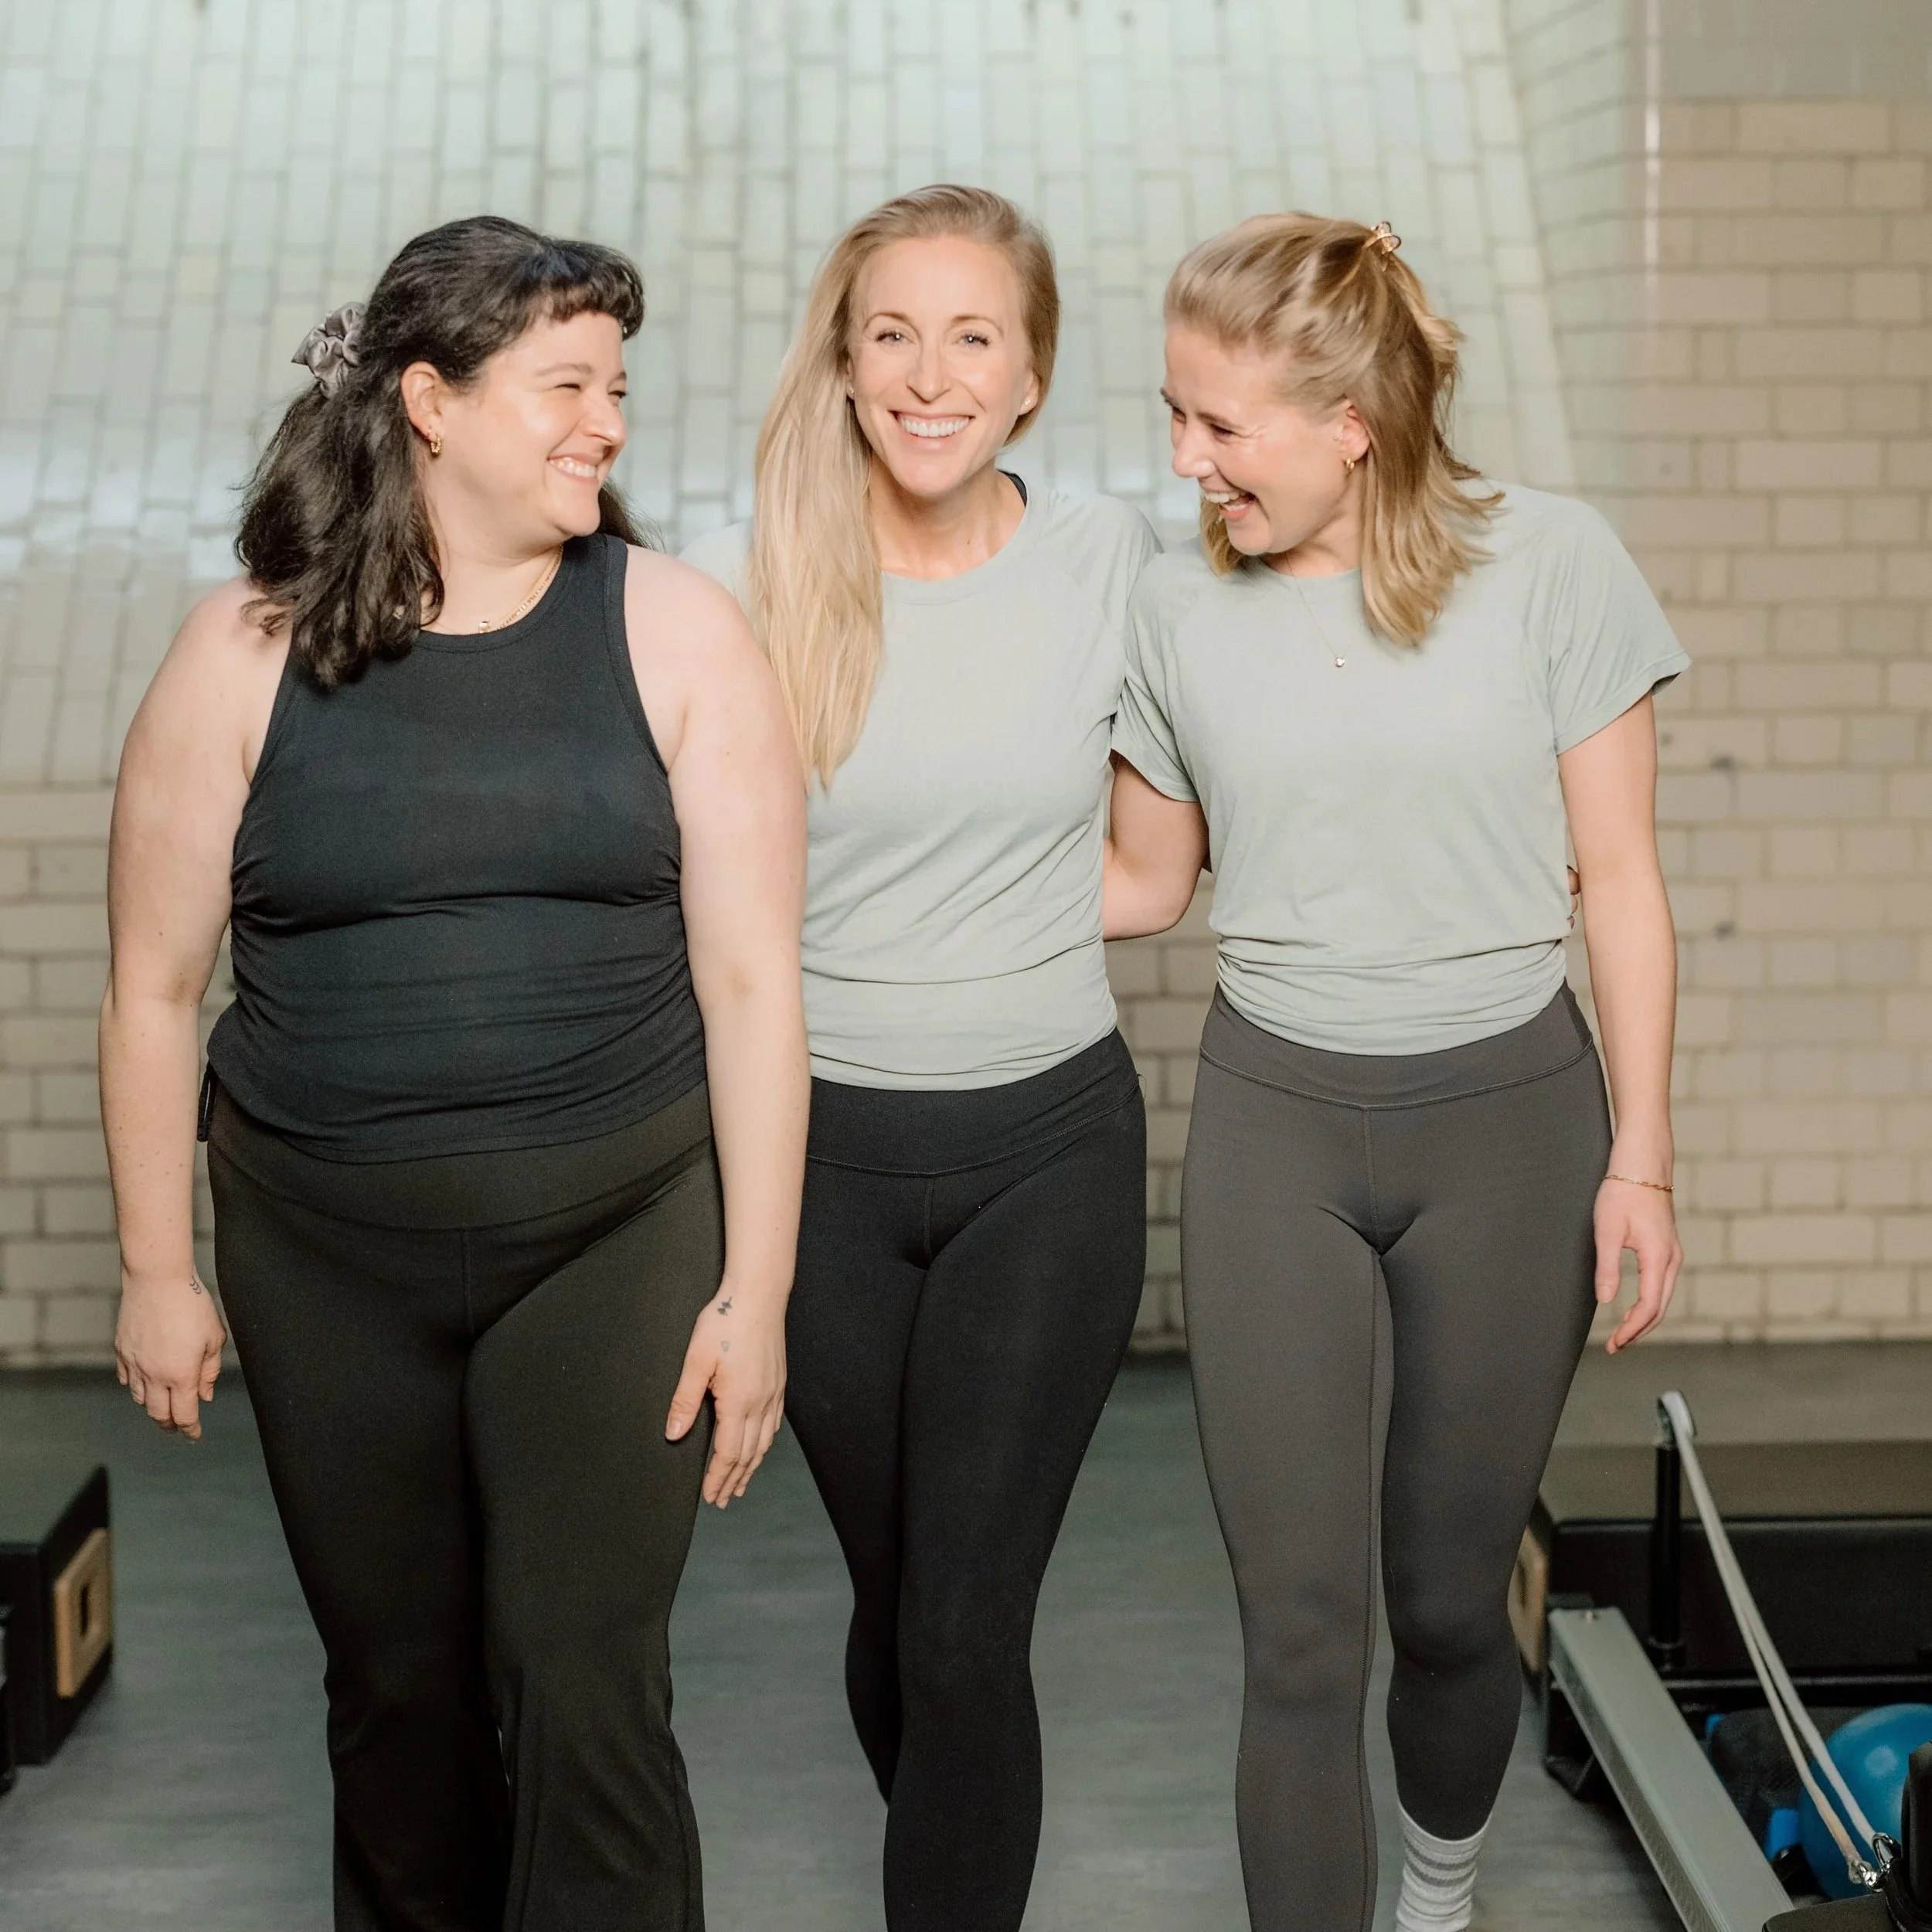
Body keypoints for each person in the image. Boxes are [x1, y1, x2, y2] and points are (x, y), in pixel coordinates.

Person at [100, 216, 808, 1932]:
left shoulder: (678, 631)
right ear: (428, 401)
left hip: (613, 1230)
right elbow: (151, 981)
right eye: (566, 384)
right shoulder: (241, 650)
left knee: (585, 1681)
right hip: (322, 1255)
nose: (607, 422)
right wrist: (154, 1264)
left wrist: (759, 1288)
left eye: (617, 386)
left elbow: (752, 978)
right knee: (398, 1696)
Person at [1104, 213, 1688, 1932]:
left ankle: (1436, 1876)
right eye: (1174, 415)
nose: (1187, 460)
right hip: (1272, 1125)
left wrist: (1636, 1153)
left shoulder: (1553, 562)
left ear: (1350, 416)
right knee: (1296, 1624)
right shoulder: (1170, 604)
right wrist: (865, 898)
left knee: (1442, 1600)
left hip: (1508, 1130)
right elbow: (1142, 878)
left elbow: (1625, 880)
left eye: (1220, 424)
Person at [684, 183, 1158, 1932]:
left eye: (973, 334)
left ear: (1031, 373)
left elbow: (1155, 867)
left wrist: (982, 924)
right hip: (818, 1167)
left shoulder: (1108, 559)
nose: (929, 372)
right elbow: (712, 911)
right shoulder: (750, 587)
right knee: (897, 1615)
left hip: (1046, 1153)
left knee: (965, 1623)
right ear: (844, 354)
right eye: (892, 330)